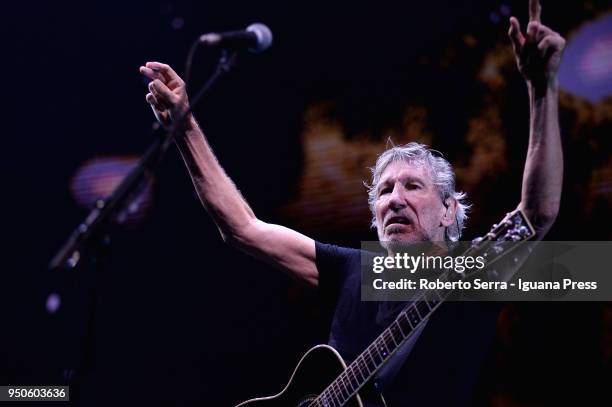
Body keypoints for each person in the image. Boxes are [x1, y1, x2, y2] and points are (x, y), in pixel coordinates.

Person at [139, 0, 564, 405]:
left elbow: (537, 214)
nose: (395, 199)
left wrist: (541, 90)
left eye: (413, 187)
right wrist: (185, 129)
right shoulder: (352, 270)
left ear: (450, 210)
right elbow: (243, 228)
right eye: (384, 191)